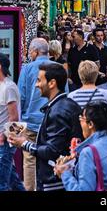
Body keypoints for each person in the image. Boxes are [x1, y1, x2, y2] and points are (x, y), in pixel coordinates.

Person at [9, 63, 82, 192]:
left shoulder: (58, 111)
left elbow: (52, 150)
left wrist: (24, 143)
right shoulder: (63, 105)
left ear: (52, 83)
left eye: (39, 80)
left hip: (55, 182)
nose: (36, 85)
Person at [54, 102, 107, 191]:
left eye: (81, 118)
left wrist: (65, 173)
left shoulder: (88, 152)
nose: (80, 123)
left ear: (90, 124)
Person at [17, 38, 57, 191]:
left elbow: (21, 96)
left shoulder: (27, 69)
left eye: (29, 51)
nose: (29, 54)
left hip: (31, 121)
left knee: (29, 160)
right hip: (52, 122)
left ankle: (30, 189)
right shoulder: (58, 68)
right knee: (52, 157)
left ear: (35, 51)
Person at [0, 54, 25, 191]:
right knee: (12, 180)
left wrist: (3, 137)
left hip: (4, 141)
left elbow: (14, 117)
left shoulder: (8, 87)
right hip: (3, 140)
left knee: (2, 183)